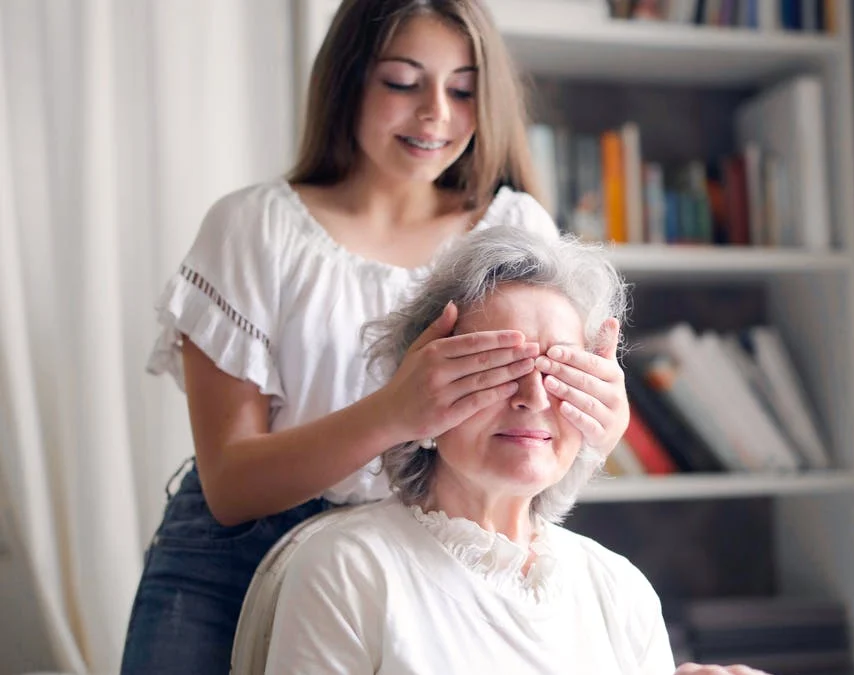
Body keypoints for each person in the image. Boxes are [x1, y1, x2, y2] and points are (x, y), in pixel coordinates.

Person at [119, 1, 632, 673]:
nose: (435, 115)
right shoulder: (252, 228)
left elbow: (531, 436)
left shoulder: (515, 225)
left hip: (423, 549)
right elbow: (230, 485)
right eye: (401, 81)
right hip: (234, 556)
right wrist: (394, 413)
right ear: (348, 81)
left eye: (463, 89)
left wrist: (602, 424)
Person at [263, 227, 771, 675]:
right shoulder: (347, 571)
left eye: (560, 371)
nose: (533, 397)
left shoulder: (619, 589)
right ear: (422, 390)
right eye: (496, 368)